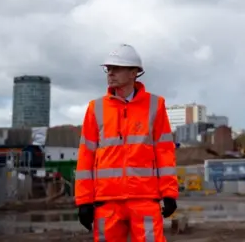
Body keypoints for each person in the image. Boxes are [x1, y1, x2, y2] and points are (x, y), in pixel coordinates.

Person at [75, 44, 178, 242]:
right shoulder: (95, 108)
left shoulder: (155, 106)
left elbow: (164, 152)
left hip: (144, 199)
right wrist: (84, 200)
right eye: (108, 68)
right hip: (107, 202)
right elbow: (86, 156)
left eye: (117, 68)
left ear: (134, 73)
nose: (110, 73)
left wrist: (169, 193)